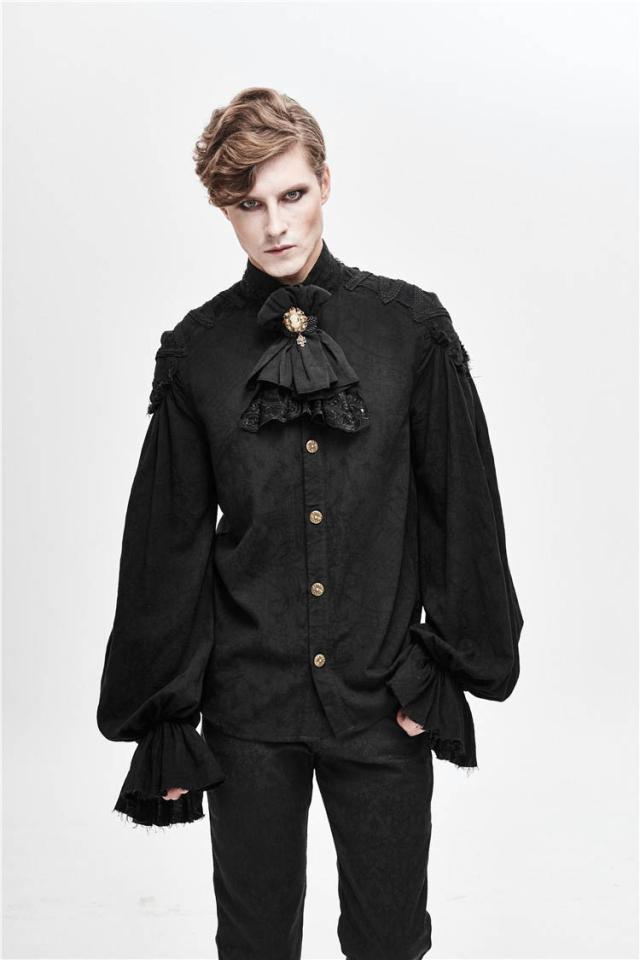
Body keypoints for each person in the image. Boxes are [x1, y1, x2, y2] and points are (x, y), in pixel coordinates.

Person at [97, 86, 524, 960]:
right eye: (248, 205)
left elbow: (462, 510)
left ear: (326, 181)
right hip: (247, 712)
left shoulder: (410, 330)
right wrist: (164, 713)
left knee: (390, 939)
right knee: (254, 943)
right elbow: (167, 546)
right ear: (224, 211)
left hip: (384, 700)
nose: (275, 225)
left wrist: (443, 667)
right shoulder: (198, 353)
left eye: (291, 194)